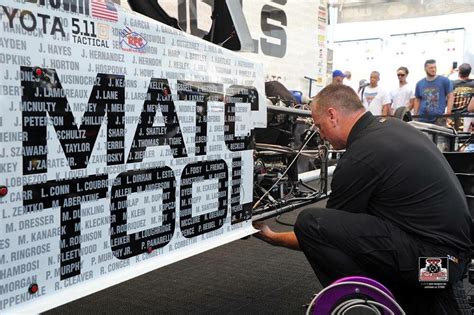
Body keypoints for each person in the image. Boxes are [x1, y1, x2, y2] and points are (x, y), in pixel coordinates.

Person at [254, 84, 472, 314]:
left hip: (435, 271)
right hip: (451, 265)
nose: (321, 135)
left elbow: (324, 235)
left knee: (310, 222)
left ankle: (378, 305)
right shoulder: (392, 127)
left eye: (319, 126)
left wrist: (273, 237)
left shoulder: (360, 156)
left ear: (332, 115)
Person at [414, 59, 454, 126]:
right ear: (425, 69)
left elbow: (451, 96)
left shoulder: (444, 80)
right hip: (422, 119)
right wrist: (415, 116)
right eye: (431, 68)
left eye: (435, 67)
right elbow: (417, 100)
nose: (433, 70)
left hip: (439, 119)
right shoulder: (419, 83)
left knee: (439, 136)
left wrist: (448, 113)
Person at [451, 63, 474, 132]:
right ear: (469, 73)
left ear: (459, 72)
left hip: (452, 115)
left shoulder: (451, 83)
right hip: (467, 116)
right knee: (463, 139)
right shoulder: (473, 84)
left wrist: (451, 71)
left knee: (452, 137)